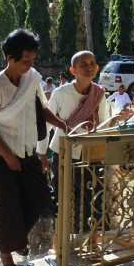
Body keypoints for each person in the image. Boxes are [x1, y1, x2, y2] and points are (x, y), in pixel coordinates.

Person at [0, 29, 67, 266]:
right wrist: (8, 157)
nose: (30, 65)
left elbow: (42, 109)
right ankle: (6, 257)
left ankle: (17, 240)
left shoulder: (32, 80)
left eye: (32, 60)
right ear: (10, 57)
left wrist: (63, 124)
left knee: (40, 201)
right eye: (25, 61)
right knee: (8, 207)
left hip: (27, 153)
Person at [39, 51, 110, 232]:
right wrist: (41, 154)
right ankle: (66, 243)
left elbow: (104, 125)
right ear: (72, 70)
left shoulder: (99, 94)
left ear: (97, 67)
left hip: (91, 156)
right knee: (66, 199)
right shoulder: (61, 93)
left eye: (92, 63)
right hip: (63, 154)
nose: (89, 67)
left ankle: (89, 240)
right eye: (83, 64)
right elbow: (46, 124)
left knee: (91, 200)